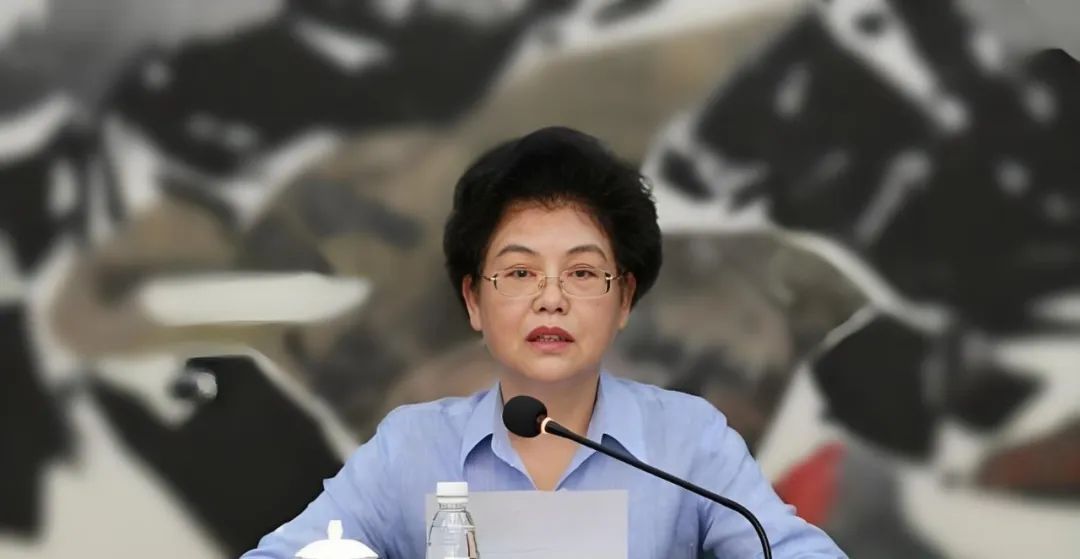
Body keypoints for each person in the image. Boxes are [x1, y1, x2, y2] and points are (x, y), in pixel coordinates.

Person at [241, 127, 845, 558]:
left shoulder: (688, 442)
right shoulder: (412, 448)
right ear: (473, 301)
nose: (550, 299)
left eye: (581, 273)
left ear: (624, 299)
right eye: (520, 272)